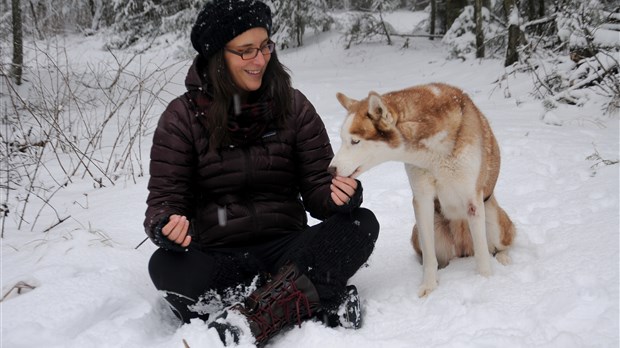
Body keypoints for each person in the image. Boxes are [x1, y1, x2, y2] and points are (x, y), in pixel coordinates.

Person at [144, 0, 380, 346]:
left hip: (288, 249)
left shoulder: (294, 106)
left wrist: (340, 196)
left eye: (265, 46)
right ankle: (311, 299)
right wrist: (167, 226)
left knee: (361, 224)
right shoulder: (181, 118)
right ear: (217, 56)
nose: (260, 59)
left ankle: (250, 319)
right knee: (165, 266)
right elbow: (165, 200)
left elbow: (318, 187)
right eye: (246, 51)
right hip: (221, 257)